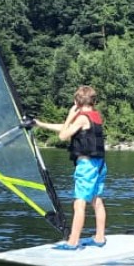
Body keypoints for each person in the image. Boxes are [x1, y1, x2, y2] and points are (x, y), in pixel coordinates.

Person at [35, 85, 107, 249]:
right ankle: (99, 238)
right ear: (93, 101)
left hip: (87, 166)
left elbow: (63, 135)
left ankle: (73, 242)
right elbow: (68, 128)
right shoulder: (95, 115)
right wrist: (40, 124)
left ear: (76, 101)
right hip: (100, 164)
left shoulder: (81, 118)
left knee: (79, 204)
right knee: (97, 200)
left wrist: (69, 115)